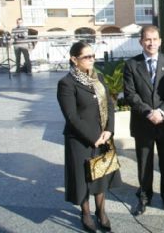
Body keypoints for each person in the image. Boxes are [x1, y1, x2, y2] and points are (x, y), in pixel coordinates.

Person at [57, 41, 121, 233]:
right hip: (80, 139)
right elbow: (71, 116)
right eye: (87, 57)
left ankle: (101, 212)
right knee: (83, 178)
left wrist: (109, 130)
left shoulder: (98, 77)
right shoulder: (66, 83)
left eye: (93, 56)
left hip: (103, 134)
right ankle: (85, 213)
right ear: (74, 59)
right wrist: (94, 138)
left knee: (99, 175)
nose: (91, 60)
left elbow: (110, 105)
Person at [123, 25, 164, 215]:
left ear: (161, 41)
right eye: (147, 39)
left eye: (155, 39)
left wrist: (162, 112)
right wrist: (149, 112)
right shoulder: (131, 64)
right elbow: (130, 94)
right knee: (144, 163)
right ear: (141, 41)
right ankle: (145, 196)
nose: (151, 43)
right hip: (143, 122)